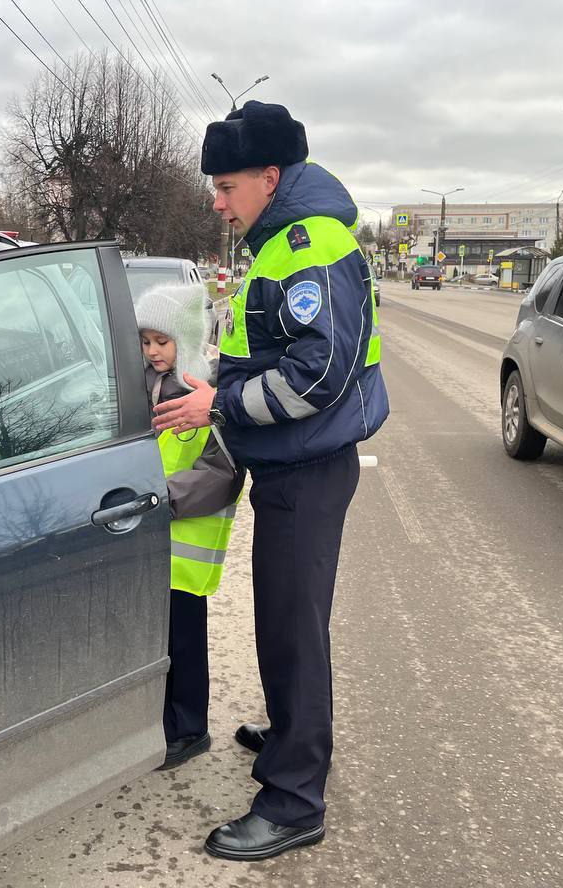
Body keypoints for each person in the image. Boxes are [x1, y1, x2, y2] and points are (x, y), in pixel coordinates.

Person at [152, 101, 389, 861]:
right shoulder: (279, 241)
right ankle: (291, 734)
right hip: (292, 462)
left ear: (270, 176)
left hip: (310, 464)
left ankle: (294, 799)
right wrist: (211, 383)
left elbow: (318, 373)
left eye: (225, 186)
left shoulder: (310, 245)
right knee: (281, 619)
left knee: (293, 628)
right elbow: (269, 348)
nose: (217, 201)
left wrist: (216, 402)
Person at [134, 281, 244, 771]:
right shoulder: (142, 385)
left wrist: (166, 500)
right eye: (145, 341)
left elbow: (223, 471)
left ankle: (190, 727)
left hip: (184, 540)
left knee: (184, 641)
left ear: (187, 338)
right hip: (152, 536)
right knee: (159, 638)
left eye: (163, 341)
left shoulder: (202, 394)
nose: (153, 351)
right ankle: (164, 720)